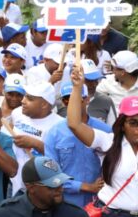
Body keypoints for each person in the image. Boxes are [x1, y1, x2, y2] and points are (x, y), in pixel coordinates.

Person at [68, 65, 138, 217]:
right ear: (123, 125)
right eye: (134, 122)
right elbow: (75, 125)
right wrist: (77, 89)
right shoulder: (109, 143)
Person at [44, 80, 110, 208]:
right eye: (66, 99)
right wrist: (85, 187)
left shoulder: (104, 130)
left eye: (78, 98)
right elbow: (51, 174)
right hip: (67, 203)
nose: (71, 102)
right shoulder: (54, 133)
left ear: (87, 100)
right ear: (63, 102)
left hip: (100, 201)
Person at [8, 81, 62, 195]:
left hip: (40, 189)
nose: (22, 101)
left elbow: (60, 161)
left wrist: (36, 144)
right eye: (24, 96)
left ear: (44, 104)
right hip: (13, 183)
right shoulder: (17, 113)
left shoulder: (59, 126)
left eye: (30, 98)